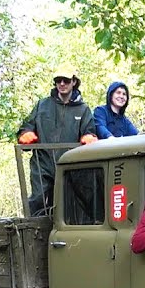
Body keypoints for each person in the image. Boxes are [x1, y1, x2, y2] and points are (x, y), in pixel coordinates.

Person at [16, 71, 98, 215]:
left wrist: (88, 137)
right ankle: (32, 233)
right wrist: (25, 134)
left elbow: (89, 130)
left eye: (65, 80)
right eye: (58, 80)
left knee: (76, 203)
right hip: (43, 163)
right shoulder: (42, 105)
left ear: (73, 82)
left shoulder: (83, 109)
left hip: (71, 165)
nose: (62, 84)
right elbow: (27, 126)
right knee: (38, 199)